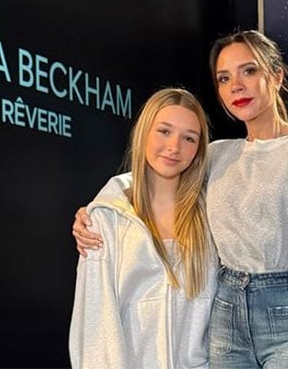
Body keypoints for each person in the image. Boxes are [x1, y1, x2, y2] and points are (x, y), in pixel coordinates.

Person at [72, 31, 288, 369]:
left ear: (277, 76)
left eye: (249, 71)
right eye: (224, 78)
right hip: (226, 314)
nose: (236, 86)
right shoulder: (217, 155)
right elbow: (158, 176)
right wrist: (99, 208)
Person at [69, 88, 218, 369]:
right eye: (164, 131)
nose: (174, 146)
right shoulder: (106, 218)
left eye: (189, 138)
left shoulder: (212, 216)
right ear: (144, 132)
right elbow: (95, 329)